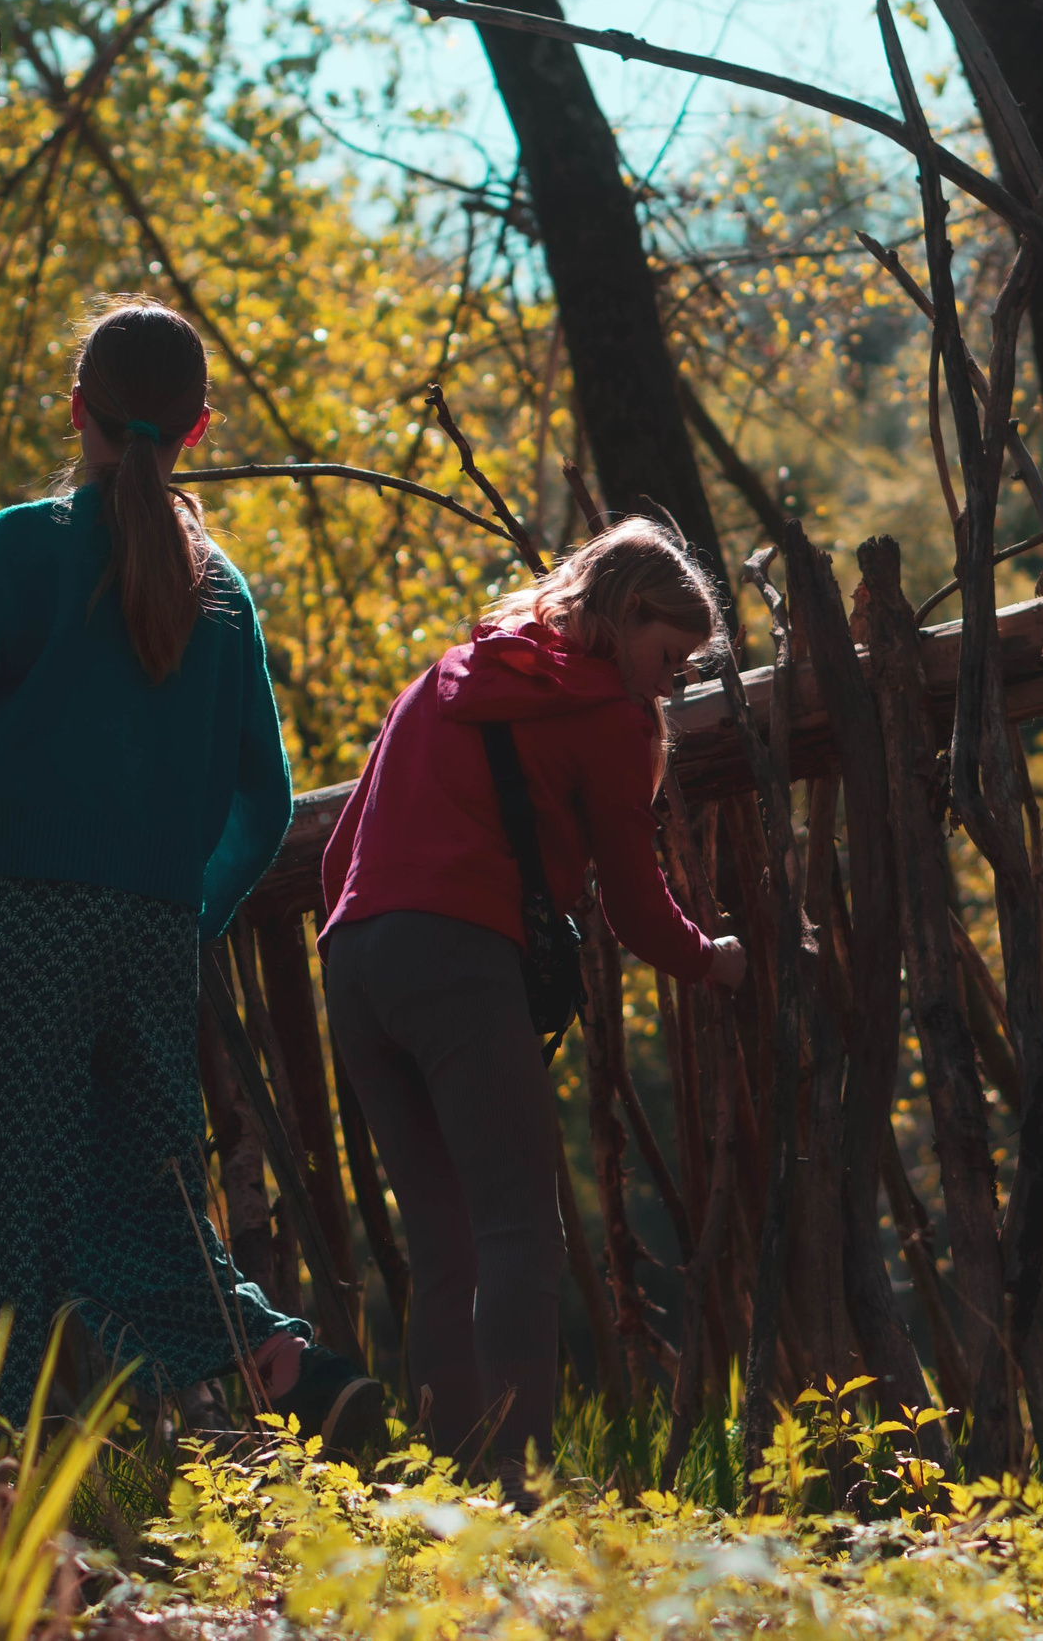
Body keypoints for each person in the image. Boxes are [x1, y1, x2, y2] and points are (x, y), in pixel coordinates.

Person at [0, 296, 380, 1444]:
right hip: (149, 937)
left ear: (77, 410)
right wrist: (188, 915)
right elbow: (263, 800)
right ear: (198, 427)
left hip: (23, 921)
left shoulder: (29, 546)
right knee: (135, 1195)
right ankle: (286, 1363)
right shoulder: (219, 595)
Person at [318, 519, 748, 1482]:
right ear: (628, 614)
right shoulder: (604, 712)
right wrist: (716, 961)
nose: (671, 683)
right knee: (519, 1233)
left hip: (354, 963)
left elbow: (340, 852)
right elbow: (637, 906)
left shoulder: (448, 674)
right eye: (669, 656)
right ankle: (517, 1495)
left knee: (444, 1250)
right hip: (460, 962)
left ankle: (445, 1499)